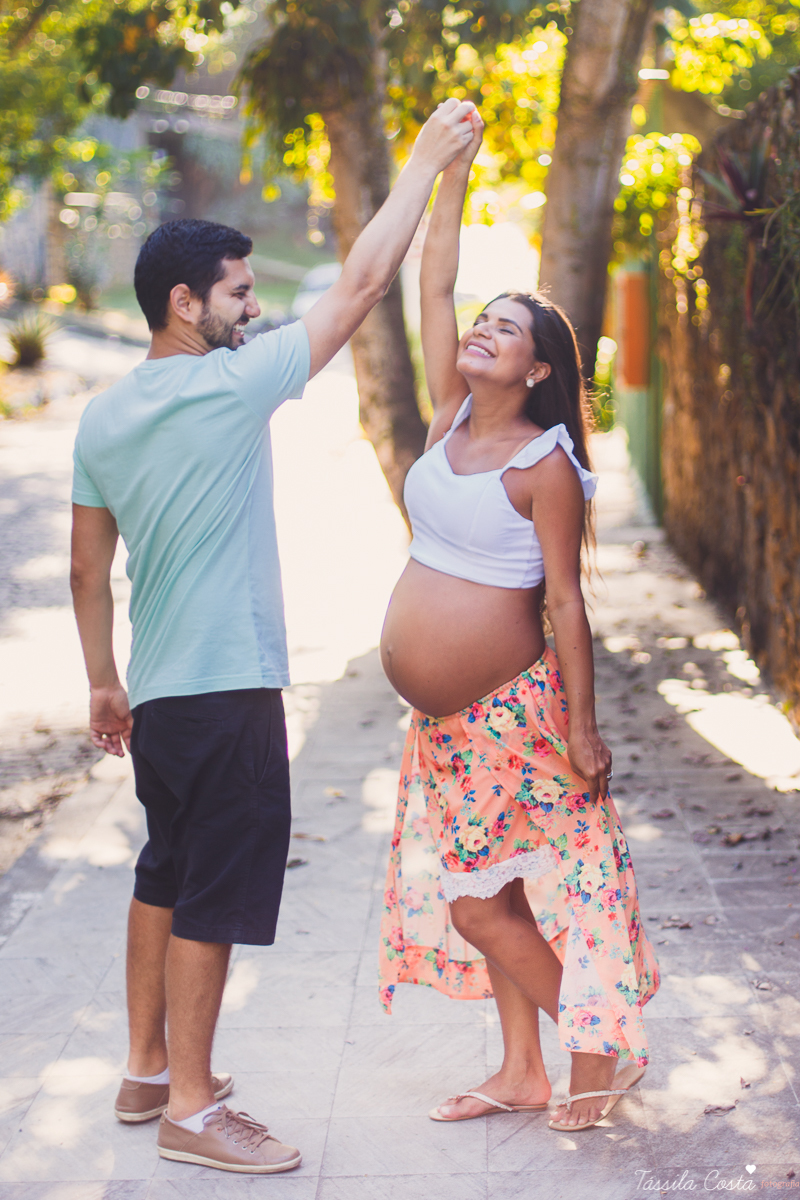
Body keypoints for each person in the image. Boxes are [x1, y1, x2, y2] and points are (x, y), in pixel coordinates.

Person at [69, 98, 479, 1175]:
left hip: (158, 694)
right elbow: (361, 284)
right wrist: (429, 159)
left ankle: (149, 1068)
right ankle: (196, 1110)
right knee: (212, 888)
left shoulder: (103, 415)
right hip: (229, 690)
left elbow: (85, 568)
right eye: (238, 293)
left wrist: (105, 685)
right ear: (183, 301)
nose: (251, 310)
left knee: (164, 868)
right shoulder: (228, 382)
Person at [378, 115, 659, 1132]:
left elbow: (565, 604)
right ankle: (520, 1071)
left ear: (537, 371)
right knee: (494, 895)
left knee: (474, 904)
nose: (480, 332)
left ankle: (597, 1050)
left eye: (507, 330)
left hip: (509, 714)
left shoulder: (546, 466)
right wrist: (450, 171)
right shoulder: (448, 420)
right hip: (446, 727)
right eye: (481, 322)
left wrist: (582, 729)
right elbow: (430, 280)